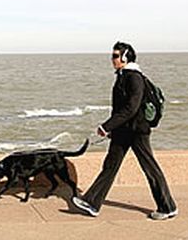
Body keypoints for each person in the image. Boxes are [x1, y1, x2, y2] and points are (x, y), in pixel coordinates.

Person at [72, 42, 178, 220]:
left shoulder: (133, 77)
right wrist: (113, 129)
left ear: (125, 57)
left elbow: (131, 107)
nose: (112, 59)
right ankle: (92, 203)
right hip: (123, 131)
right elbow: (121, 107)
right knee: (110, 166)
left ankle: (167, 207)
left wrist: (107, 126)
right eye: (112, 56)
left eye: (115, 56)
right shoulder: (123, 75)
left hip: (137, 131)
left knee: (150, 168)